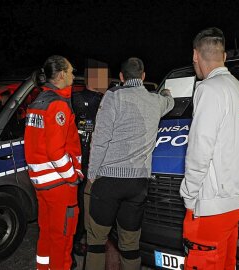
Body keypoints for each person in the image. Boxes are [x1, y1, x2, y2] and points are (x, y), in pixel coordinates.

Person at [85, 57, 174, 270]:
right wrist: (166, 93)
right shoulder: (155, 101)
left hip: (108, 181)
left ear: (122, 77)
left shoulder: (113, 97)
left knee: (96, 243)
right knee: (131, 245)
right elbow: (169, 101)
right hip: (137, 184)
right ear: (143, 77)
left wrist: (91, 176)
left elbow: (100, 139)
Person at [179, 27, 239, 270]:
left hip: (213, 204)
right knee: (225, 262)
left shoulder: (209, 89)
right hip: (236, 201)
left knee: (202, 261)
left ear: (195, 55)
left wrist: (189, 196)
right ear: (223, 56)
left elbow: (200, 149)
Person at [24, 55, 83, 270]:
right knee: (63, 237)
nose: (73, 75)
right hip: (59, 184)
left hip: (41, 183)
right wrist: (72, 176)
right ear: (60, 75)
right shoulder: (58, 105)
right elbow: (56, 152)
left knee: (47, 232)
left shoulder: (38, 102)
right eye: (70, 71)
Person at [71, 59, 107, 256]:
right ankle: (87, 238)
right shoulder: (104, 100)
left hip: (78, 158)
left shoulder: (73, 98)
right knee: (91, 201)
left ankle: (78, 239)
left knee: (78, 200)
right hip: (94, 159)